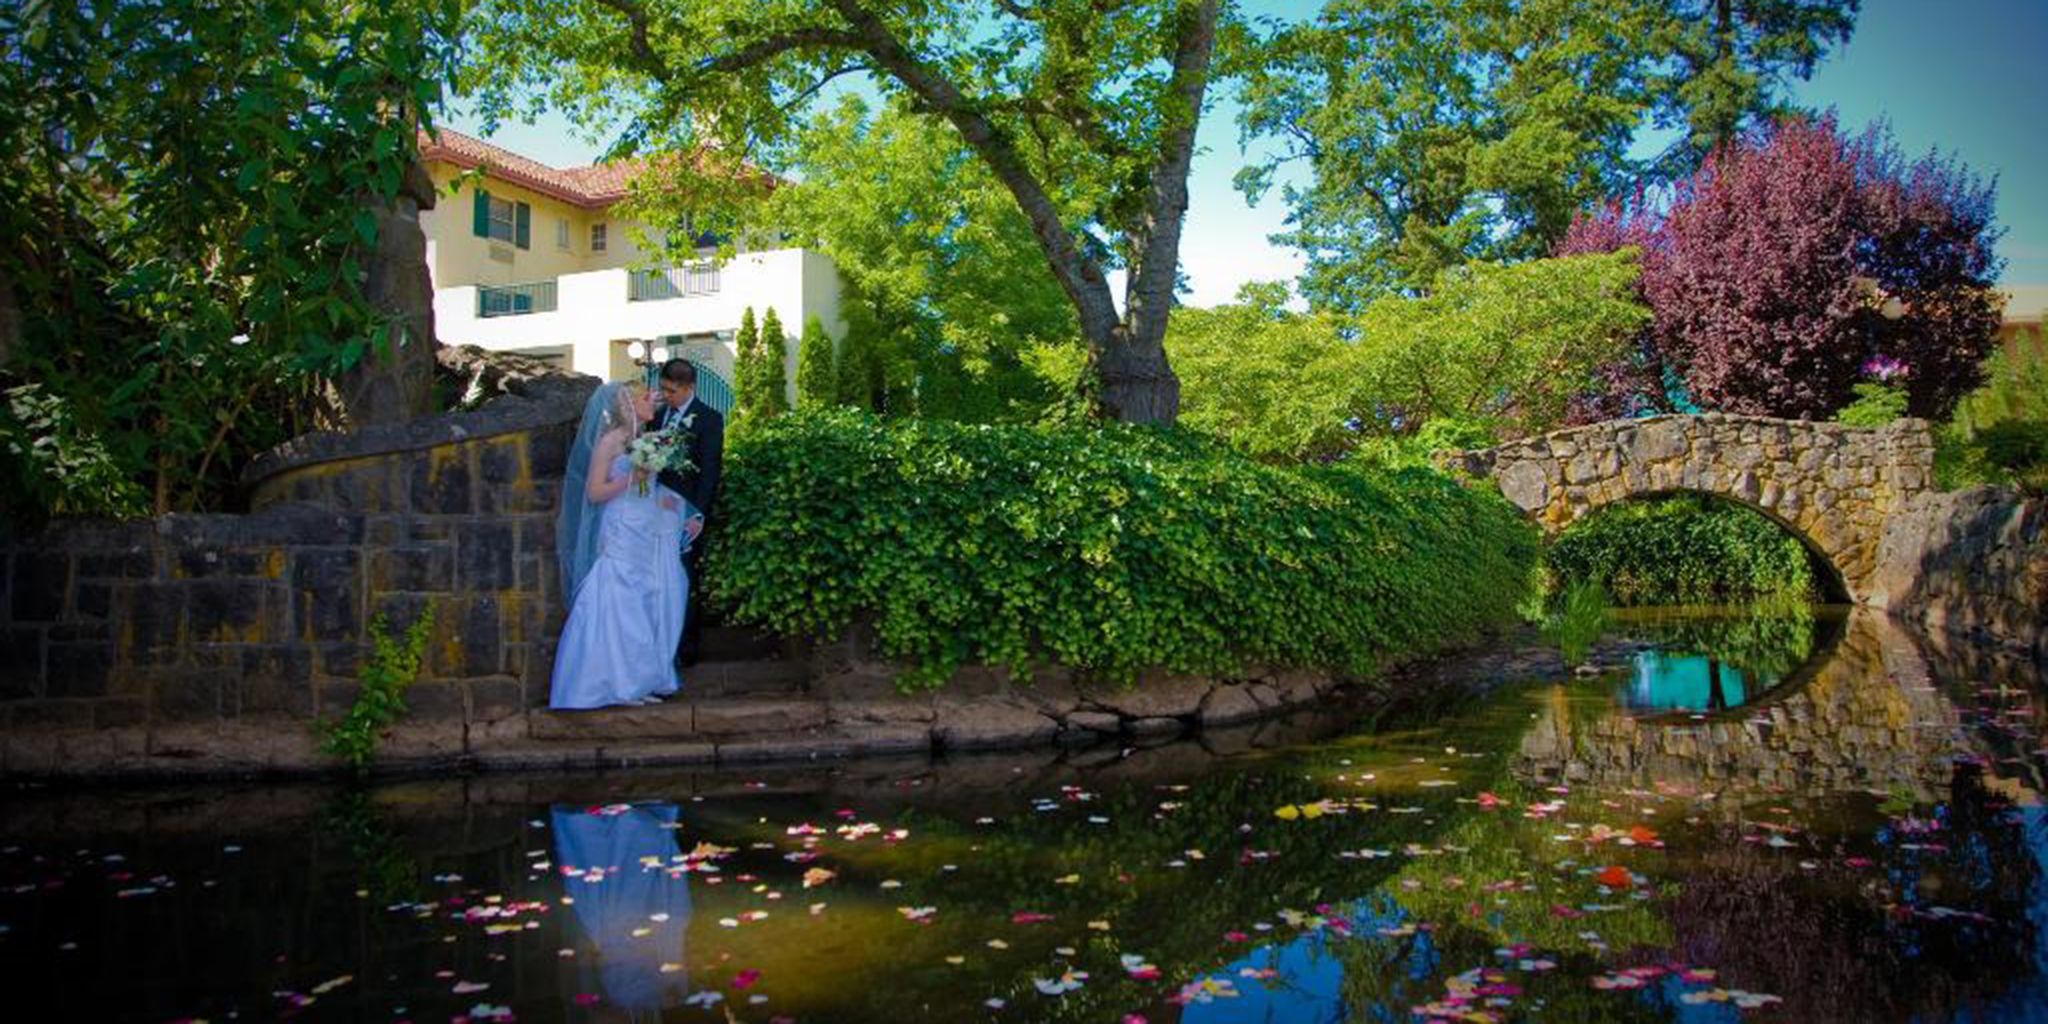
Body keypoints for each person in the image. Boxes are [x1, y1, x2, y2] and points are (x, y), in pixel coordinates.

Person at [550, 381, 685, 710]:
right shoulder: (610, 441)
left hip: (645, 529)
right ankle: (614, 683)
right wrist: (632, 479)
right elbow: (595, 493)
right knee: (621, 599)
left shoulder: (647, 441)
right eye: (644, 396)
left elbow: (649, 489)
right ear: (626, 404)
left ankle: (639, 681)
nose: (652, 399)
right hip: (621, 528)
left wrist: (664, 502)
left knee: (647, 597)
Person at [652, 359, 724, 667]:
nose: (666, 395)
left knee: (684, 577)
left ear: (689, 387)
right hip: (653, 512)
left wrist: (697, 515)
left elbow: (710, 472)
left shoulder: (709, 419)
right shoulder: (656, 417)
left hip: (686, 515)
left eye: (672, 390)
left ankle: (686, 649)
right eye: (663, 389)